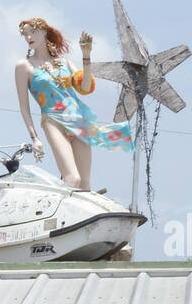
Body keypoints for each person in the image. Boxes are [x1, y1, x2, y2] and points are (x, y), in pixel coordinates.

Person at [14, 18, 133, 191]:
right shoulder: (24, 66)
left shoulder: (64, 62)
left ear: (44, 32)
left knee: (84, 184)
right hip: (52, 120)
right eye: (25, 34)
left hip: (77, 120)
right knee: (72, 178)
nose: (28, 37)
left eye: (32, 32)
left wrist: (86, 56)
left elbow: (85, 87)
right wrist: (35, 138)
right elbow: (24, 107)